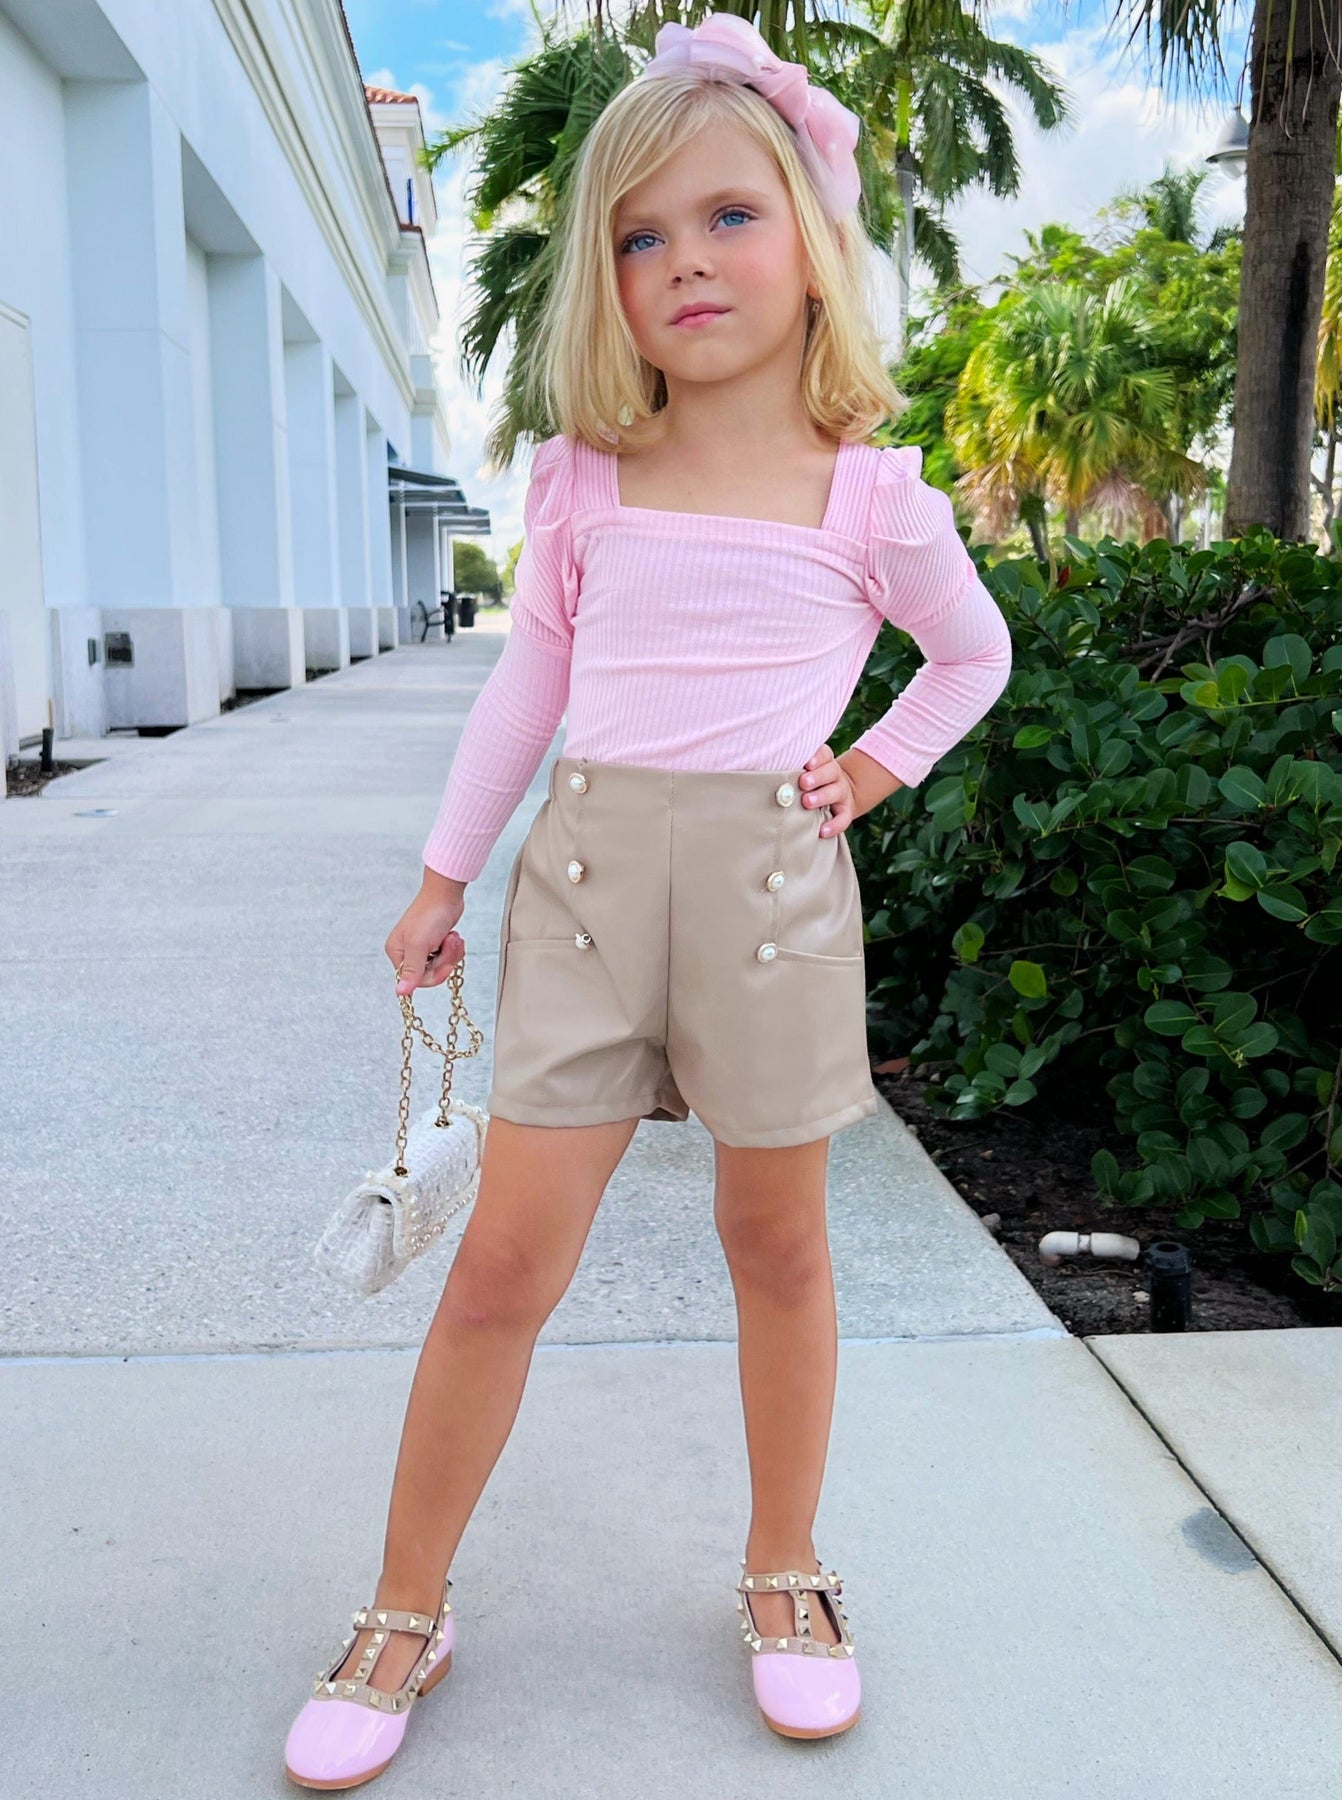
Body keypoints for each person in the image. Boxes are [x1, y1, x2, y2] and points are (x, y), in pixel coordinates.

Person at [283, 12, 1011, 1787]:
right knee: (501, 1263)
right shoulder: (584, 480)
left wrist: (867, 773)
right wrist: (442, 877)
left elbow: (971, 656)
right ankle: (403, 1601)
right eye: (638, 234)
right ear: (602, 280)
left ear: (812, 241)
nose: (683, 259)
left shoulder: (874, 497)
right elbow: (525, 693)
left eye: (727, 216)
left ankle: (783, 1565)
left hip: (770, 901)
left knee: (778, 1246)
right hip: (588, 895)